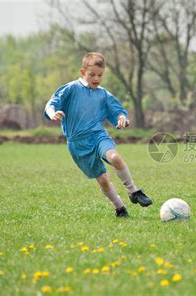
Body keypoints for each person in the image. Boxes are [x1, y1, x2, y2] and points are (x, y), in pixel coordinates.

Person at [44, 52, 153, 219]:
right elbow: (51, 104)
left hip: (98, 135)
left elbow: (118, 111)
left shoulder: (103, 94)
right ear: (82, 72)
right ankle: (119, 208)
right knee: (102, 180)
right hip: (78, 144)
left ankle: (134, 191)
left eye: (100, 75)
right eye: (92, 74)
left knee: (115, 157)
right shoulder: (71, 88)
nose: (96, 78)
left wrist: (122, 118)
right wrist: (53, 113)